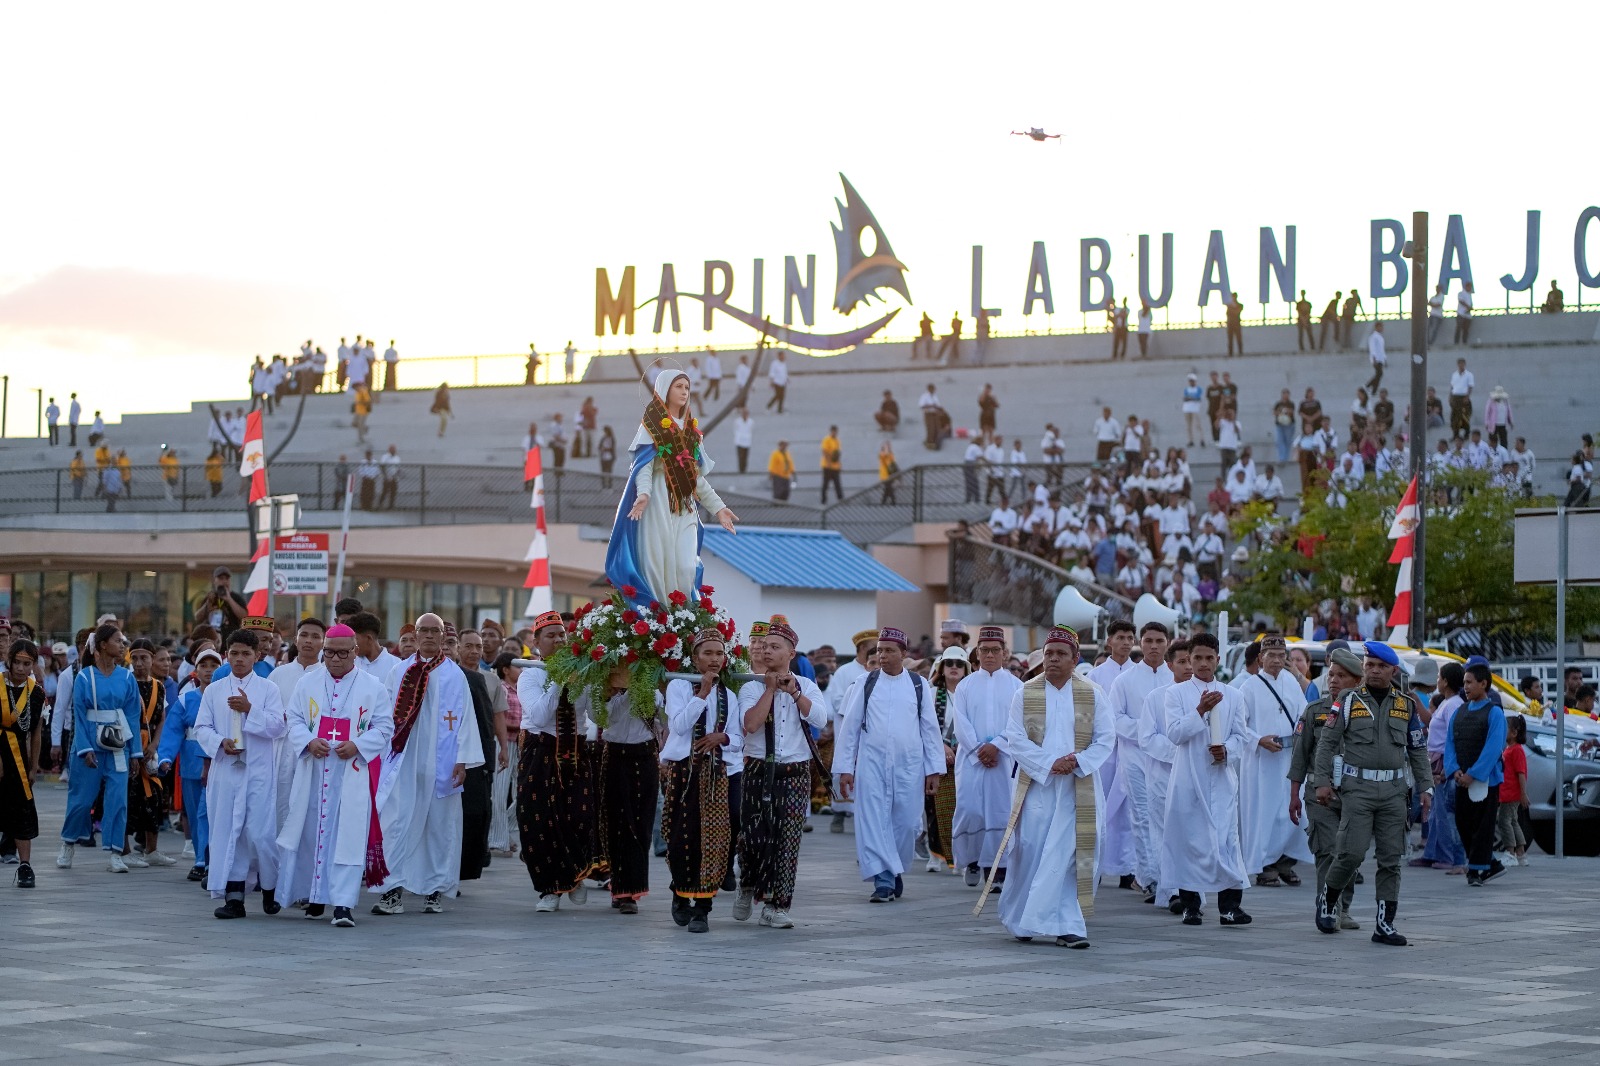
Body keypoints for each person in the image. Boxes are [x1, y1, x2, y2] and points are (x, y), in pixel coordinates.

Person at [991, 624, 1114, 948]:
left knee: (1072, 855)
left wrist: (1077, 762)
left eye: (1061, 654)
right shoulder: (1026, 692)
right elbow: (1015, 738)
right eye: (1049, 654)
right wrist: (1049, 763)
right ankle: (1023, 918)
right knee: (1032, 851)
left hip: (1079, 788)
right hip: (1038, 788)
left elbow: (1106, 738)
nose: (1053, 659)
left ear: (1075, 658)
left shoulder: (1092, 693)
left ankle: (1068, 925)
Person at [273, 624, 394, 928]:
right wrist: (308, 741)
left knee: (347, 838)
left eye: (343, 653)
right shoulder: (307, 683)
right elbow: (295, 719)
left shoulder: (373, 686)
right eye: (330, 653)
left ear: (355, 651)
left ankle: (342, 905)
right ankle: (313, 898)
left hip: (350, 775)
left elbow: (384, 728)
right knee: (310, 834)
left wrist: (357, 744)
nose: (336, 659)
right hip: (314, 772)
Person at [1313, 641, 1433, 944]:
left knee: (1391, 858)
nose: (1375, 671)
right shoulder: (1347, 701)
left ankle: (1384, 924)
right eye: (1370, 665)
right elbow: (1327, 743)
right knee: (1351, 853)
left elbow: (1417, 749)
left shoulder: (1405, 705)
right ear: (1363, 668)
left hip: (1394, 791)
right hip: (1358, 789)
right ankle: (1329, 900)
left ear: (1393, 670)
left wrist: (1426, 787)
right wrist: (1322, 781)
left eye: (1381, 666)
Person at [367, 614, 480, 916]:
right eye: (424, 631)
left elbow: (466, 720)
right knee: (396, 822)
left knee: (438, 827)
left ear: (444, 637)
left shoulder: (455, 675)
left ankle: (434, 890)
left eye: (435, 631)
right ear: (415, 635)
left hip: (440, 765)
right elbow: (383, 716)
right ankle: (392, 891)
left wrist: (462, 761)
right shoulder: (399, 672)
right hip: (403, 761)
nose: (429, 636)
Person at [833, 626, 945, 902]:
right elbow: (850, 729)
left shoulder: (918, 685)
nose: (882, 655)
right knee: (873, 820)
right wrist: (846, 768)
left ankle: (894, 869)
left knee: (906, 823)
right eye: (879, 650)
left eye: (889, 651)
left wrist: (934, 769)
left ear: (904, 653)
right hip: (871, 765)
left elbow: (930, 731)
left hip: (909, 767)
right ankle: (883, 880)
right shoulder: (866, 683)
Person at [609, 370, 739, 607]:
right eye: (678, 386)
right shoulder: (651, 427)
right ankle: (661, 618)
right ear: (665, 389)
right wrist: (644, 494)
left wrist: (719, 508)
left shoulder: (692, 432)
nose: (684, 391)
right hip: (658, 501)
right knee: (657, 563)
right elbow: (644, 467)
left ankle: (683, 614)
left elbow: (695, 478)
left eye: (686, 387)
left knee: (686, 565)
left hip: (686, 505)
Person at [736, 618, 828, 929]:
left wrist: (794, 693)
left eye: (775, 647)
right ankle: (747, 885)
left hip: (795, 773)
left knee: (788, 841)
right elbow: (750, 724)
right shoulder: (750, 687)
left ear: (791, 653)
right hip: (759, 769)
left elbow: (819, 717)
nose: (767, 651)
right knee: (754, 838)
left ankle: (776, 905)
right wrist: (770, 690)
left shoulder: (808, 686)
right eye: (764, 647)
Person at [194, 628, 287, 917]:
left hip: (257, 771)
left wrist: (249, 710)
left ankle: (270, 888)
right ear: (226, 655)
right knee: (227, 830)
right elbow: (201, 728)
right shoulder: (214, 689)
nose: (239, 659)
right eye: (234, 653)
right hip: (227, 770)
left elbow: (277, 726)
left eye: (246, 654)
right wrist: (219, 743)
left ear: (257, 655)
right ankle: (234, 898)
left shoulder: (268, 689)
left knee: (259, 833)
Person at [1161, 633, 1252, 926]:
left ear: (1217, 659)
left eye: (1208, 658)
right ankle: (1191, 904)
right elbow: (1175, 733)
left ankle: (1230, 906)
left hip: (1221, 778)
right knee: (1190, 840)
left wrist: (1227, 751)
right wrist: (1199, 711)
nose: (1202, 664)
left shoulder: (1234, 695)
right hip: (1189, 778)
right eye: (1196, 658)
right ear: (1188, 659)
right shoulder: (1175, 694)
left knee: (1226, 840)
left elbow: (1241, 736)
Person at [517, 612, 599, 913]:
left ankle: (574, 876)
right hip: (541, 751)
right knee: (539, 821)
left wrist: (611, 691)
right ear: (537, 642)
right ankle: (549, 889)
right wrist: (560, 681)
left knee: (580, 816)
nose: (559, 640)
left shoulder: (584, 671)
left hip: (576, 751)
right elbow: (538, 715)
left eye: (562, 635)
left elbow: (597, 716)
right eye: (551, 636)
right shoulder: (530, 673)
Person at [661, 629, 742, 933]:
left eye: (719, 654)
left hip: (716, 775)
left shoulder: (729, 695)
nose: (714, 659)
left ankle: (703, 909)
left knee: (714, 841)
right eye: (707, 653)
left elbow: (737, 740)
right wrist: (702, 694)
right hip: (685, 772)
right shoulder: (680, 686)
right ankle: (680, 892)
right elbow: (680, 726)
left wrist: (723, 737)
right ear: (694, 658)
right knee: (682, 837)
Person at [55, 624, 144, 873]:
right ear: (103, 645)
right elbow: (79, 716)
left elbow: (133, 716)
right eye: (118, 640)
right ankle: (68, 842)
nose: (123, 645)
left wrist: (135, 752)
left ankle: (116, 852)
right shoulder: (84, 677)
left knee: (118, 799)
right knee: (82, 800)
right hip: (90, 745)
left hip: (118, 745)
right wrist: (84, 748)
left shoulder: (127, 677)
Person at [1286, 647, 1361, 931]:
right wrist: (1294, 794)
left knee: (1351, 853)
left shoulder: (1365, 713)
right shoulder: (1315, 710)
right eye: (1331, 675)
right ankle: (1328, 907)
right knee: (1328, 850)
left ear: (1357, 681)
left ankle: (1344, 907)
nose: (1333, 680)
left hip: (1355, 794)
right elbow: (1300, 755)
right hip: (1320, 794)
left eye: (1342, 676)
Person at [1104, 622, 1173, 902]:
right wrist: (1146, 733)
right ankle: (1151, 877)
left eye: (1159, 640)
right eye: (1148, 641)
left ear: (1168, 643)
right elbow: (1114, 719)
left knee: (1170, 816)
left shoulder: (1175, 678)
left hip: (1169, 757)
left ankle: (1171, 874)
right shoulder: (1125, 680)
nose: (1154, 646)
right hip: (1135, 757)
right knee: (1142, 816)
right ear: (1140, 644)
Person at [1236, 636, 1312, 888]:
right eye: (1272, 655)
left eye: (1282, 655)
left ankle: (1284, 863)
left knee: (1290, 814)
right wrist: (1258, 740)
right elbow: (1238, 726)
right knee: (1265, 814)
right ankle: (1264, 867)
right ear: (1260, 659)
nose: (1277, 660)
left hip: (1289, 757)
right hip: (1262, 763)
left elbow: (1303, 716)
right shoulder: (1249, 687)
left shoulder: (1291, 682)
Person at [156, 645, 218, 883]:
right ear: (196, 669)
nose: (209, 670)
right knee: (193, 812)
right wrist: (165, 757)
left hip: (217, 761)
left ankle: (206, 860)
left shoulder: (225, 698)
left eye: (214, 666)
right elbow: (173, 731)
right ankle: (201, 858)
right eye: (204, 665)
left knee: (206, 811)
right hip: (191, 762)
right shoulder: (186, 699)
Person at [1443, 661, 1507, 887]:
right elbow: (1449, 743)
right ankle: (1489, 864)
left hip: (1486, 782)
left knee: (1483, 827)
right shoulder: (1459, 711)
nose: (1465, 687)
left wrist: (1474, 774)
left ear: (1484, 684)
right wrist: (1454, 770)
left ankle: (1476, 871)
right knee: (1463, 823)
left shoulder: (1495, 713)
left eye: (1470, 683)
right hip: (1462, 781)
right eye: (1464, 683)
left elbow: (1493, 748)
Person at [124, 639, 173, 869]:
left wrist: (154, 745)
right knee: (127, 797)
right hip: (128, 743)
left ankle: (151, 848)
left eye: (144, 658)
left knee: (153, 796)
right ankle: (123, 849)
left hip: (149, 747)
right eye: (134, 658)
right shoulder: (125, 682)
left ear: (152, 659)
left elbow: (161, 719)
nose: (139, 663)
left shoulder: (159, 687)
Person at [2, 640, 45, 888]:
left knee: (22, 807)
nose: (20, 668)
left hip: (18, 756)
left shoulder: (36, 692)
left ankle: (25, 865)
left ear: (33, 665)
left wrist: (33, 767)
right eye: (16, 662)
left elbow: (36, 733)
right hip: (0, 749)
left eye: (26, 663)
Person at [1496, 714, 1529, 867]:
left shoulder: (1516, 751)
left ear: (1514, 732)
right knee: (1513, 821)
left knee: (1504, 821)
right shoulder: (1510, 749)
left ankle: (1510, 852)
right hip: (1507, 793)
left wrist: (1523, 793)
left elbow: (1521, 773)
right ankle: (1521, 852)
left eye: (1505, 729)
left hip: (1511, 794)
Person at [1449, 357, 1475, 439]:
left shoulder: (1469, 375)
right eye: (1459, 364)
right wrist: (1450, 397)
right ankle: (1455, 434)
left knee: (1464, 416)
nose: (1461, 365)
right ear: (1457, 365)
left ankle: (1466, 433)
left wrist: (1467, 397)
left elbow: (1470, 386)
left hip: (1464, 397)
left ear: (1464, 364)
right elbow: (1452, 387)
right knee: (1454, 417)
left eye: (1462, 364)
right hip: (1455, 397)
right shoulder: (1454, 374)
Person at [820, 425, 843, 504]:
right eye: (833, 431)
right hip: (827, 466)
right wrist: (828, 462)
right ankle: (823, 500)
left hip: (835, 466)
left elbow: (837, 453)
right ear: (831, 431)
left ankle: (840, 498)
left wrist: (839, 463)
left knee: (837, 483)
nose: (834, 433)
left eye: (836, 431)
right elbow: (825, 451)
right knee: (825, 484)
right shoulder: (826, 440)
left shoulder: (837, 441)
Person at [878, 440, 898, 505]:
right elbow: (884, 462)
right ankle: (892, 502)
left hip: (890, 474)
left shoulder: (889, 454)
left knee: (888, 488)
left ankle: (885, 502)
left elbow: (892, 463)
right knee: (888, 488)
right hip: (885, 475)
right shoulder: (883, 455)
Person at [1454, 281, 1474, 345]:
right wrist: (1468, 307)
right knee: (1459, 328)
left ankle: (1464, 342)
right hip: (1461, 314)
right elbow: (1461, 301)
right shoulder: (1461, 293)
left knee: (1466, 330)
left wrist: (1470, 308)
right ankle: (1456, 342)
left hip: (1468, 315)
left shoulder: (1469, 295)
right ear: (1466, 287)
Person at [1224, 292, 1244, 356]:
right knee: (1230, 340)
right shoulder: (1229, 306)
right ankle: (1230, 353)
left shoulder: (1239, 305)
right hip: (1230, 325)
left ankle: (1240, 353)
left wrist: (1231, 307)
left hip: (1237, 325)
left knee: (1239, 339)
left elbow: (1236, 312)